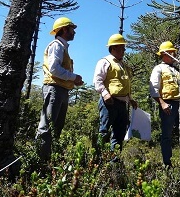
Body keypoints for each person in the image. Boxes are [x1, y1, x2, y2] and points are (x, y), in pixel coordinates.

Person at [36, 17, 83, 160]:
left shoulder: (62, 47)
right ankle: (39, 160)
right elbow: (54, 69)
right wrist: (74, 77)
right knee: (47, 126)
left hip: (61, 90)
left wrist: (73, 80)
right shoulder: (56, 45)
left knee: (56, 127)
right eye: (71, 29)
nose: (74, 32)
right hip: (54, 89)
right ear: (64, 29)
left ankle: (49, 160)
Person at [93, 33, 138, 155]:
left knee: (119, 133)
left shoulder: (122, 65)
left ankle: (114, 162)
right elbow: (97, 80)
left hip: (122, 104)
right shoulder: (105, 61)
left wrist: (130, 99)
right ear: (113, 48)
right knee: (104, 131)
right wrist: (105, 94)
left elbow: (123, 85)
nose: (124, 50)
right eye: (122, 47)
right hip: (109, 102)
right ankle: (96, 160)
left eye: (124, 47)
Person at [149, 41, 180, 167]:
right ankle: (167, 162)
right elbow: (154, 89)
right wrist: (162, 103)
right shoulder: (159, 68)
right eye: (172, 52)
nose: (174, 54)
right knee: (166, 134)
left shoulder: (178, 70)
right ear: (165, 54)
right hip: (168, 104)